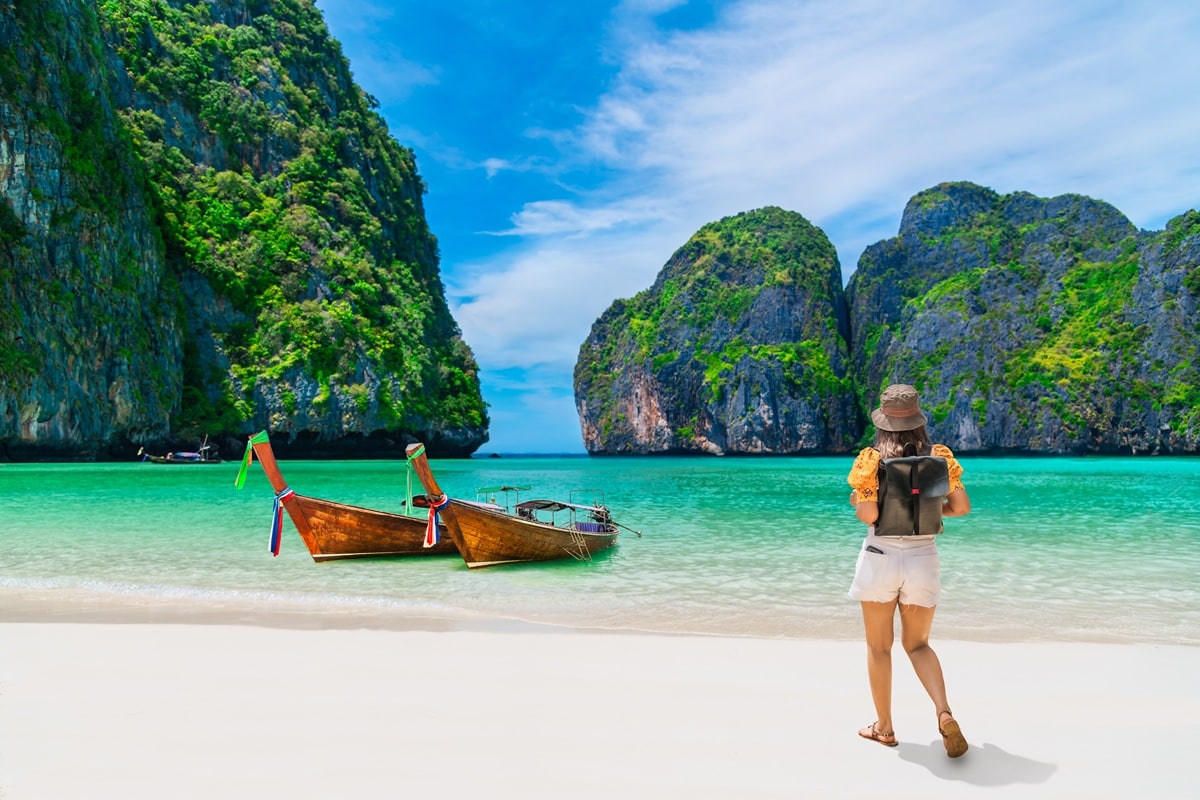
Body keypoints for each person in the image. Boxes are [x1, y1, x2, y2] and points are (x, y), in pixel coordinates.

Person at [846, 384, 971, 758]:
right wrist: (934, 513)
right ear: (918, 420)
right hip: (922, 560)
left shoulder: (871, 460)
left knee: (879, 647)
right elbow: (961, 507)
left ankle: (884, 728)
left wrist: (860, 499)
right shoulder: (938, 457)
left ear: (884, 422)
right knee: (917, 645)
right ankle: (944, 712)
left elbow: (868, 515)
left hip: (880, 557)